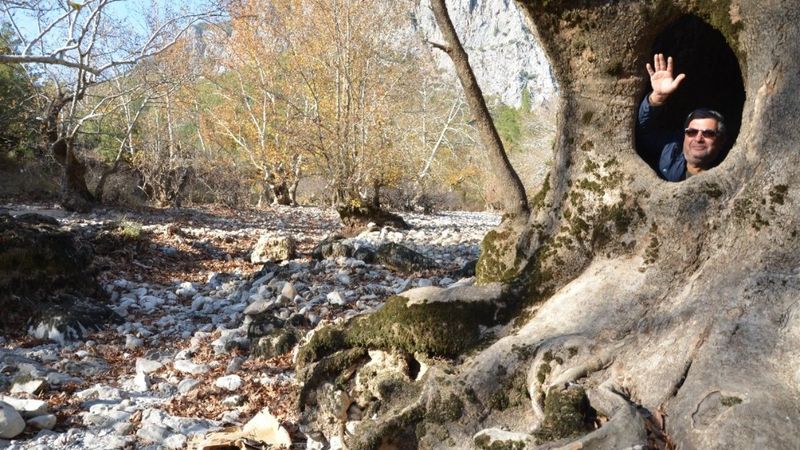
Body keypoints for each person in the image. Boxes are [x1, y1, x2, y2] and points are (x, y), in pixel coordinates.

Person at [637, 53, 727, 181]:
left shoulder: (728, 174)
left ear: (721, 140)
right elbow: (642, 131)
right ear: (684, 134)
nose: (698, 138)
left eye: (708, 133)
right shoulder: (670, 151)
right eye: (692, 132)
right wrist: (657, 97)